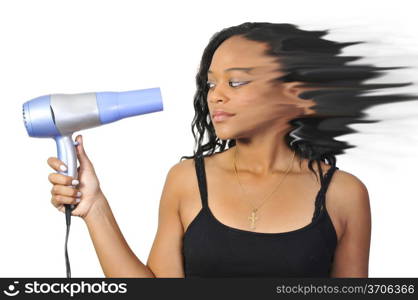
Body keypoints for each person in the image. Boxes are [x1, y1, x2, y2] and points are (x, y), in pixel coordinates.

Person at [47, 22, 375, 278]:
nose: (215, 96)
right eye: (211, 83)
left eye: (235, 82)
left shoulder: (344, 194)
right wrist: (94, 207)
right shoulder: (187, 180)